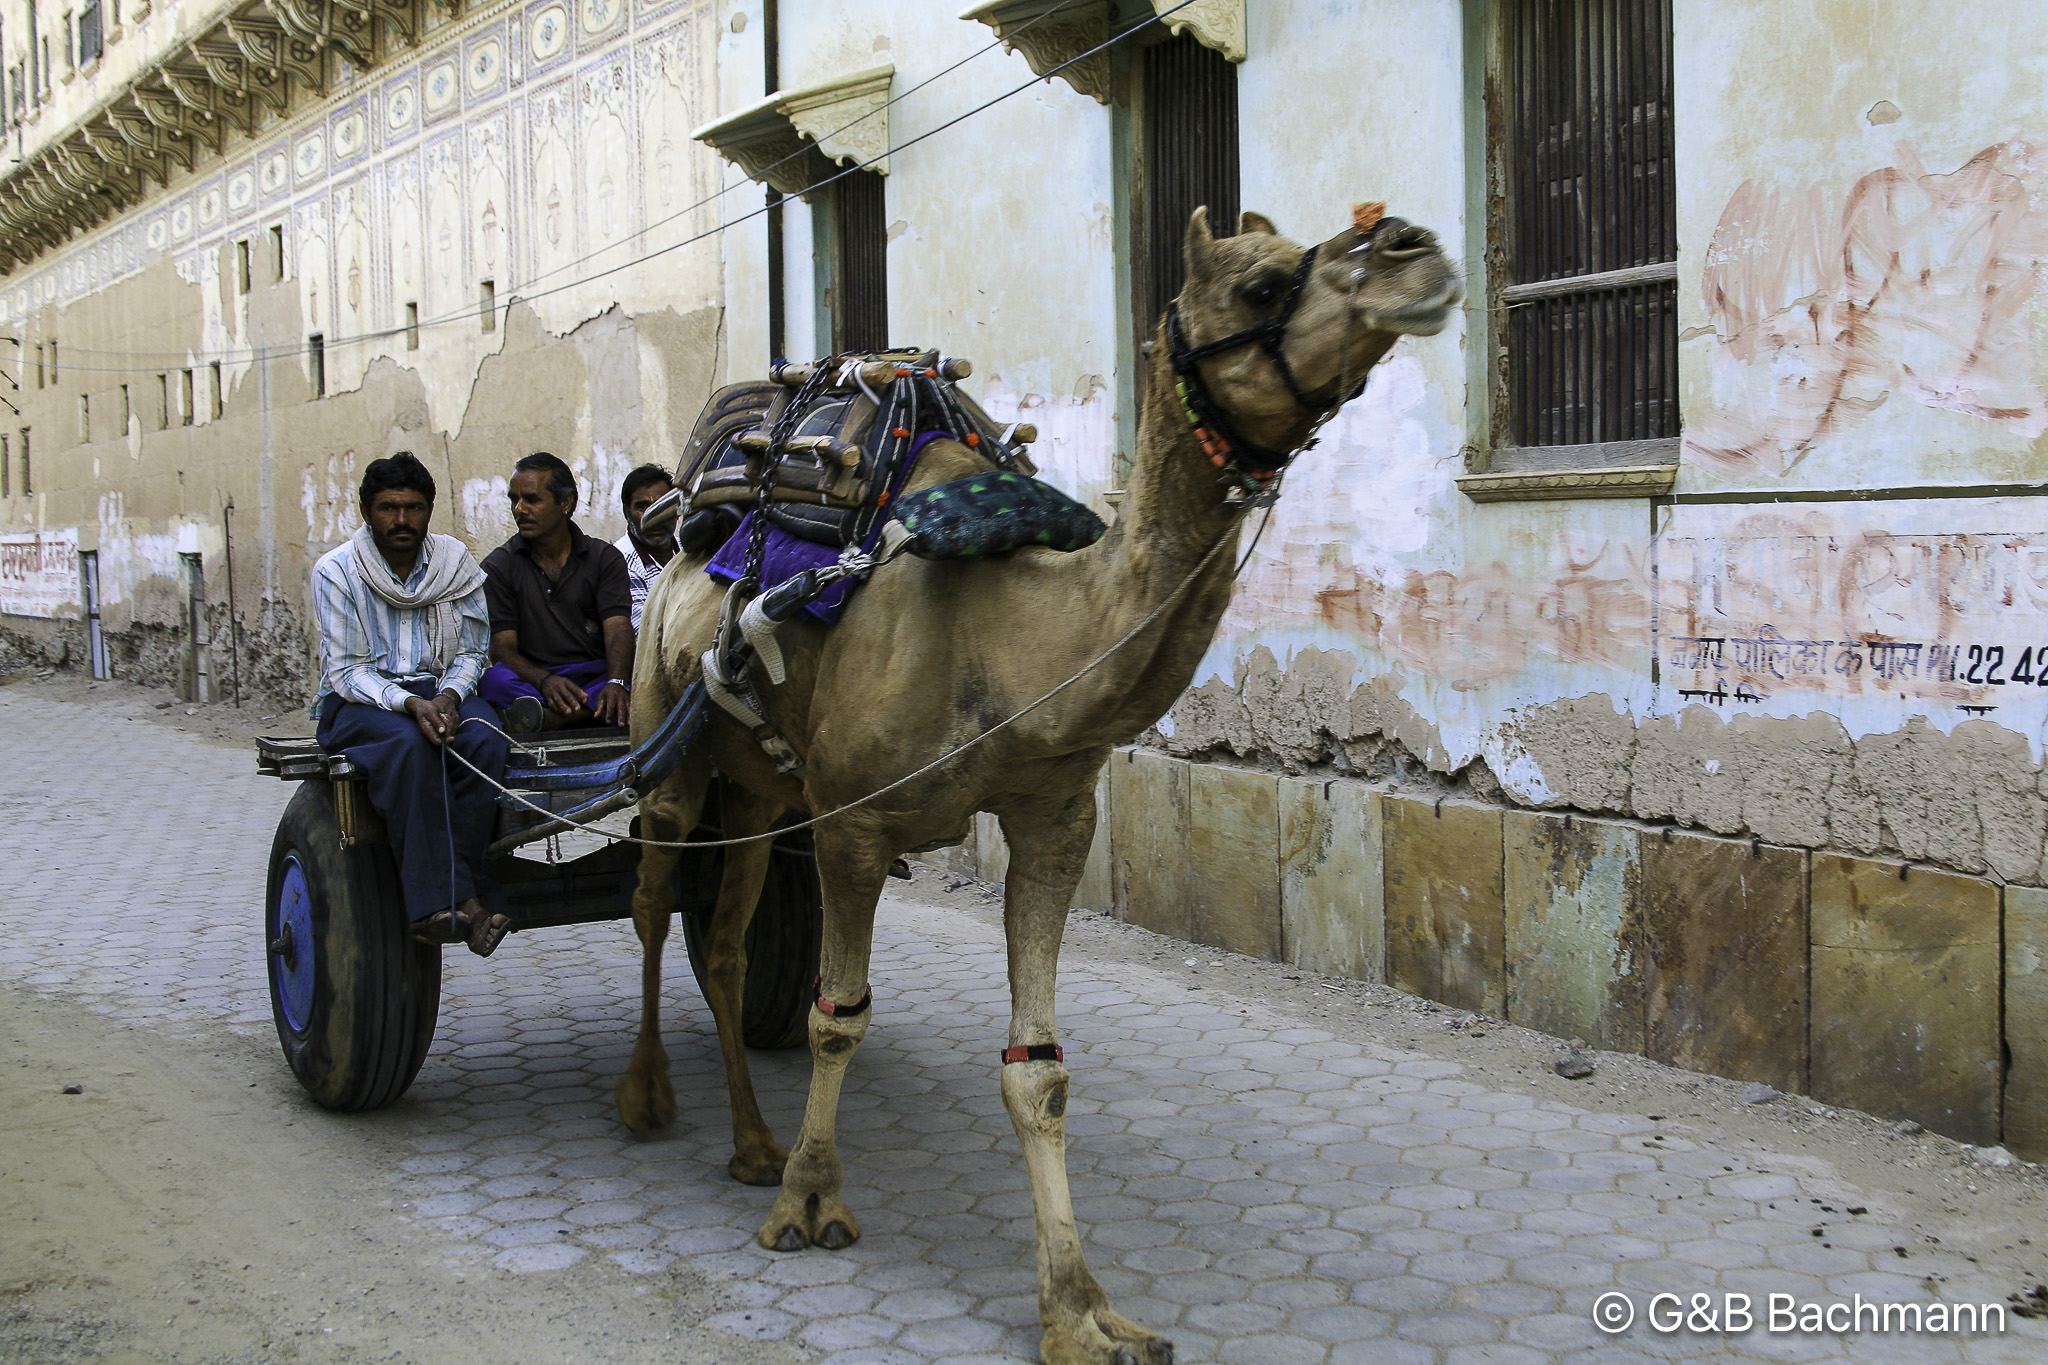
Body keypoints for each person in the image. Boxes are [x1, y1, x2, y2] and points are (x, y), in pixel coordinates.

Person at [311, 452, 512, 956]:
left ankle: (457, 891)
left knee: (486, 740)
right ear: (366, 511)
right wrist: (409, 705)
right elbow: (347, 671)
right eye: (388, 508)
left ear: (429, 509)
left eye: (414, 508)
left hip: (441, 693)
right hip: (361, 703)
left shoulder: (453, 562)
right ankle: (454, 903)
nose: (402, 520)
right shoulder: (337, 571)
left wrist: (446, 696)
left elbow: (471, 652)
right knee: (410, 748)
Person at [479, 451, 635, 734]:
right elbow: (501, 649)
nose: (519, 509)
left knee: (639, 680)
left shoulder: (604, 557)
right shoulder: (498, 565)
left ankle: (553, 718)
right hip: (534, 680)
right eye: (514, 499)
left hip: (594, 675)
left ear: (565, 503)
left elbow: (618, 629)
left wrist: (616, 682)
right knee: (493, 682)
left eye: (532, 499)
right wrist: (545, 680)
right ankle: (592, 712)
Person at [613, 463, 678, 633]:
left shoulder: (691, 550)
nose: (654, 517)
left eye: (662, 505)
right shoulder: (620, 562)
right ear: (627, 513)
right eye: (643, 507)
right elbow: (645, 635)